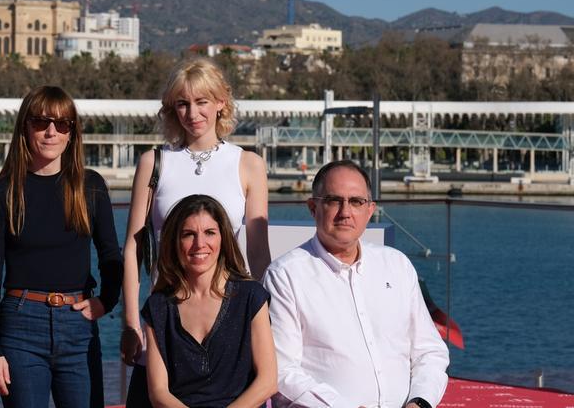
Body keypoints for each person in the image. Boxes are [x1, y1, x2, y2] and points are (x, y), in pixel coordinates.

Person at [121, 57, 270, 404]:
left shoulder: (248, 164)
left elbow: (258, 253)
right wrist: (131, 322)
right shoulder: (154, 162)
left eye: (202, 101)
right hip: (165, 320)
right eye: (183, 104)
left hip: (227, 322)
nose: (193, 113)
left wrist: (265, 316)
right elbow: (133, 248)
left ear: (221, 103)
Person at [262, 160, 450, 408]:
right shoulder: (286, 276)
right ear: (312, 207)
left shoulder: (397, 266)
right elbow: (282, 370)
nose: (345, 212)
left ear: (370, 210)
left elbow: (430, 352)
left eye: (356, 202)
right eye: (333, 200)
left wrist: (420, 402)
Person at [0, 86, 123, 408]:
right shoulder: (2, 193)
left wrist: (108, 300)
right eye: (41, 122)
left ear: (72, 133)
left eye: (62, 124)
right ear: (25, 128)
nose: (51, 131)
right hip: (19, 327)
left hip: (79, 324)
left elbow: (111, 255)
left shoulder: (91, 186)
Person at [142, 194, 276, 408]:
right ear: (174, 241)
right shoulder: (158, 307)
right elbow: (159, 393)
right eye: (188, 234)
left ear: (223, 238)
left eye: (209, 233)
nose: (199, 244)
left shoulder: (251, 296)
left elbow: (268, 382)